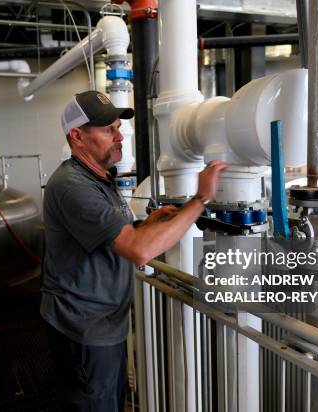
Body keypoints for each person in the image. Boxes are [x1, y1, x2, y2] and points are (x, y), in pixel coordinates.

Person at [41, 90, 226, 411]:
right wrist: (200, 200)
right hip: (83, 327)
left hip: (104, 322)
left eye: (118, 126)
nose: (120, 135)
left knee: (111, 400)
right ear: (77, 136)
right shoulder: (72, 185)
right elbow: (138, 251)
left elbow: (121, 238)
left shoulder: (99, 179)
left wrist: (148, 223)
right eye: (107, 130)